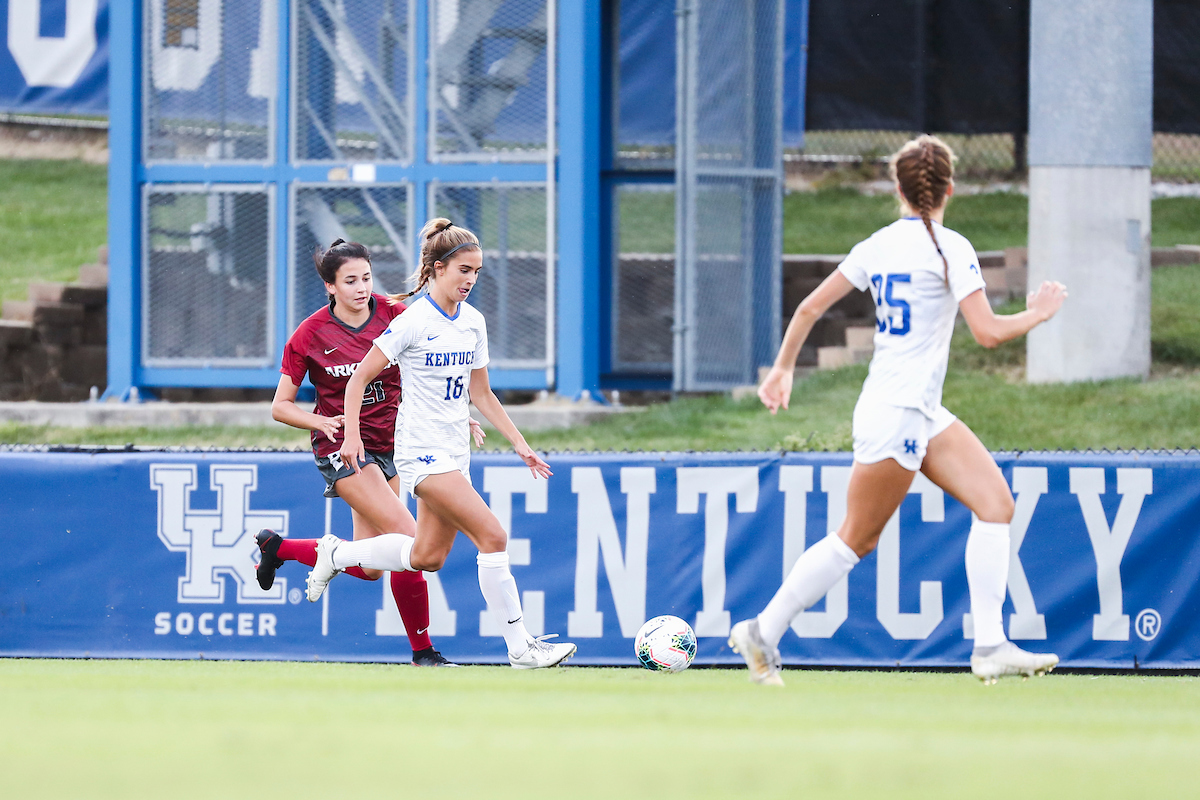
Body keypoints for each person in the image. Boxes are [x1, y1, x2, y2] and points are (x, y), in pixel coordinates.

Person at [729, 135, 1068, 686]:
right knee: (855, 539)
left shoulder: (880, 244)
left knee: (995, 504)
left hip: (916, 407)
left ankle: (989, 646)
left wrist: (783, 368)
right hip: (899, 410)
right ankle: (762, 630)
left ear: (899, 189)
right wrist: (1039, 315)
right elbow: (987, 332)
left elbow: (810, 306)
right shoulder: (950, 247)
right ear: (949, 189)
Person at [303, 219, 577, 670]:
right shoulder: (412, 322)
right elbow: (358, 380)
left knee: (425, 557)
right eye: (463, 270)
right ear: (436, 269)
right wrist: (351, 433)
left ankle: (338, 553)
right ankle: (521, 647)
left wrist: (520, 444)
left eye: (477, 272)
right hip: (420, 454)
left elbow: (482, 393)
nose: (470, 280)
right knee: (493, 535)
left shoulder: (473, 323)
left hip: (455, 452)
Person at [259, 238, 481, 667]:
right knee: (408, 540)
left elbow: (434, 370)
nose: (361, 288)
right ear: (330, 286)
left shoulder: (396, 315)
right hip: (346, 450)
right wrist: (321, 422)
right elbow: (280, 406)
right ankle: (424, 654)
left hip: (398, 444)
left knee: (373, 565)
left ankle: (281, 549)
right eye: (349, 281)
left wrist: (459, 414)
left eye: (366, 277)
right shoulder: (310, 334)